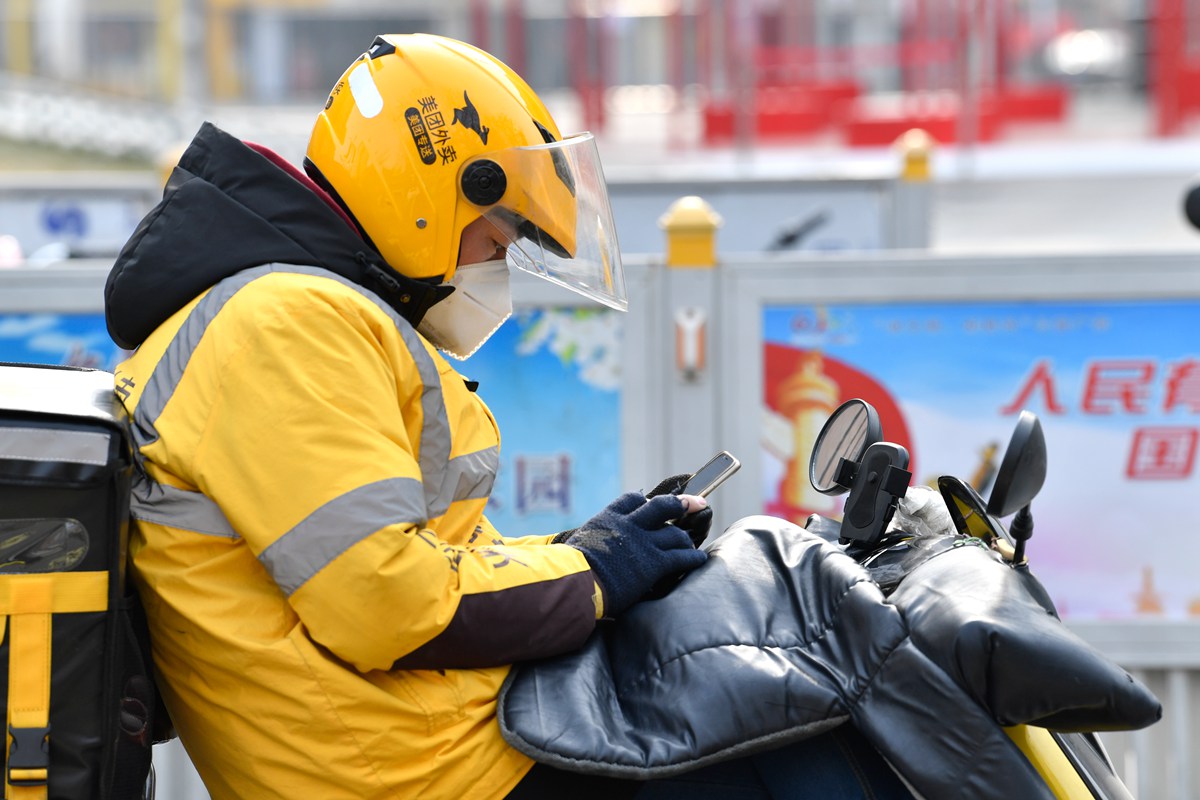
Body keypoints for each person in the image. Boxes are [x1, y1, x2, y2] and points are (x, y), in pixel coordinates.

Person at [105, 33, 911, 799]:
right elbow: (385, 602)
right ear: (432, 198)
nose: (496, 268)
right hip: (413, 774)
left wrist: (585, 548)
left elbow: (422, 561)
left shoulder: (296, 313)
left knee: (764, 697)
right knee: (795, 728)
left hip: (427, 743)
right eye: (498, 240)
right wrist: (597, 572)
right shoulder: (282, 326)